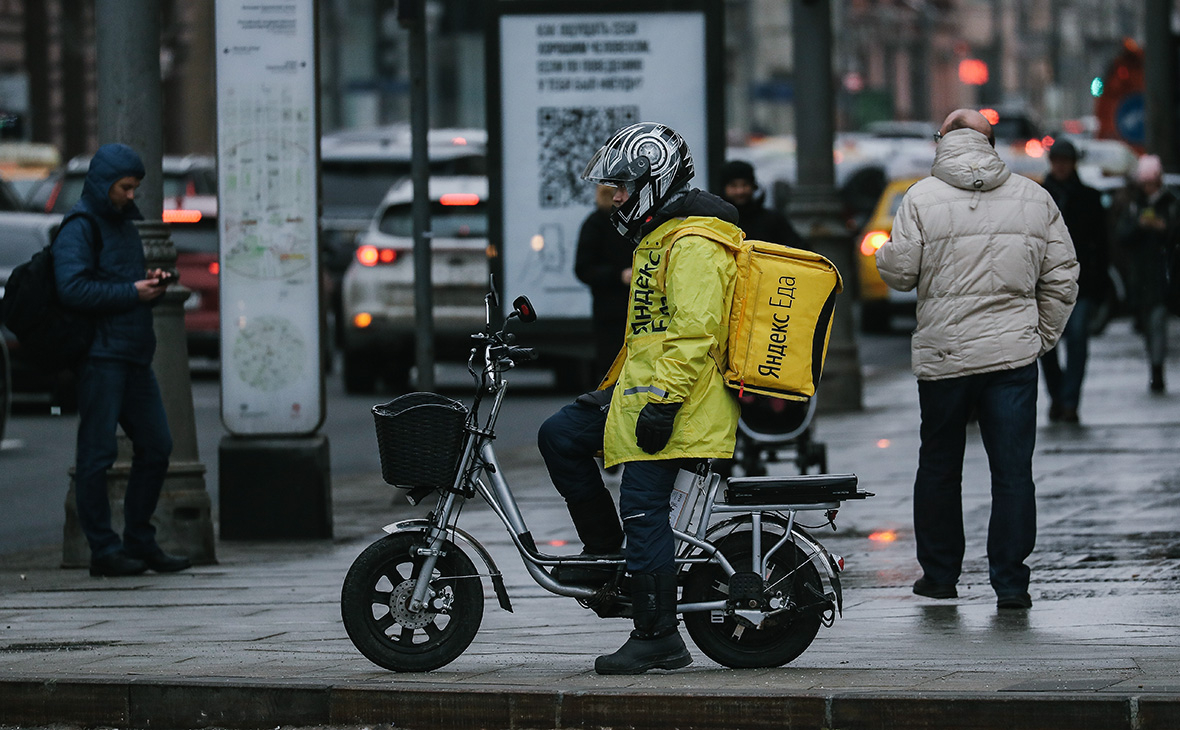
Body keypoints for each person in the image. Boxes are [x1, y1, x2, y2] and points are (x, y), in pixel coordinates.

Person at [536, 122, 742, 674]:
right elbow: (649, 337)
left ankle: (657, 636)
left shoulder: (696, 242)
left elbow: (695, 334)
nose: (617, 197)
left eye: (624, 186)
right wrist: (611, 395)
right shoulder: (662, 235)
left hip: (682, 405)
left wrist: (664, 404)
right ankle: (610, 561)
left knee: (644, 509)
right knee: (560, 434)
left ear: (657, 180)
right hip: (641, 395)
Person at [875, 109, 1078, 611]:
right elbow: (1062, 276)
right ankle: (1011, 583)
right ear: (991, 142)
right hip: (1012, 358)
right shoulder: (1035, 196)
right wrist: (1038, 337)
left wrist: (885, 254)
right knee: (1012, 473)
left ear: (940, 139)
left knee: (941, 466)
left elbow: (901, 276)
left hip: (945, 357)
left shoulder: (920, 197)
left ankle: (940, 576)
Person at [53, 143, 191, 578]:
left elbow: (116, 279)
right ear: (102, 185)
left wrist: (150, 283)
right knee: (97, 454)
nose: (131, 195)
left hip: (133, 353)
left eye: (134, 187)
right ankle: (103, 549)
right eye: (125, 187)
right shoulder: (80, 226)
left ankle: (139, 540)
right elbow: (72, 288)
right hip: (100, 354)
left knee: (157, 447)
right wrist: (133, 292)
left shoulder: (125, 225)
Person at [1039, 139, 1109, 423]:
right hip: (1045, 283)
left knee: (1077, 339)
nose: (1061, 166)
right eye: (1057, 160)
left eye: (1065, 160)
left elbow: (1102, 244)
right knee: (1048, 346)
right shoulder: (1038, 196)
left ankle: (1068, 402)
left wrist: (1099, 281)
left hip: (1080, 283)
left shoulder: (1089, 197)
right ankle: (1058, 396)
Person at [1118, 154, 1176, 393]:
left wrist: (1164, 230)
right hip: (1141, 275)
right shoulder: (1135, 205)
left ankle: (1157, 368)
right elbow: (1122, 235)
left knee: (1158, 321)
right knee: (1147, 325)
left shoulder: (1171, 204)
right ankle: (1154, 364)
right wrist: (1139, 227)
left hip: (1164, 274)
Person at [574, 184, 636, 377]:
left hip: (629, 309)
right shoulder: (597, 223)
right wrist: (619, 275)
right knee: (613, 368)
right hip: (613, 312)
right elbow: (583, 268)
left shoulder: (635, 221)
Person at [717, 159, 803, 248]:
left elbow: (797, 247)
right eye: (733, 186)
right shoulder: (717, 222)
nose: (740, 191)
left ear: (753, 186)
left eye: (745, 185)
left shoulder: (773, 220)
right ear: (724, 188)